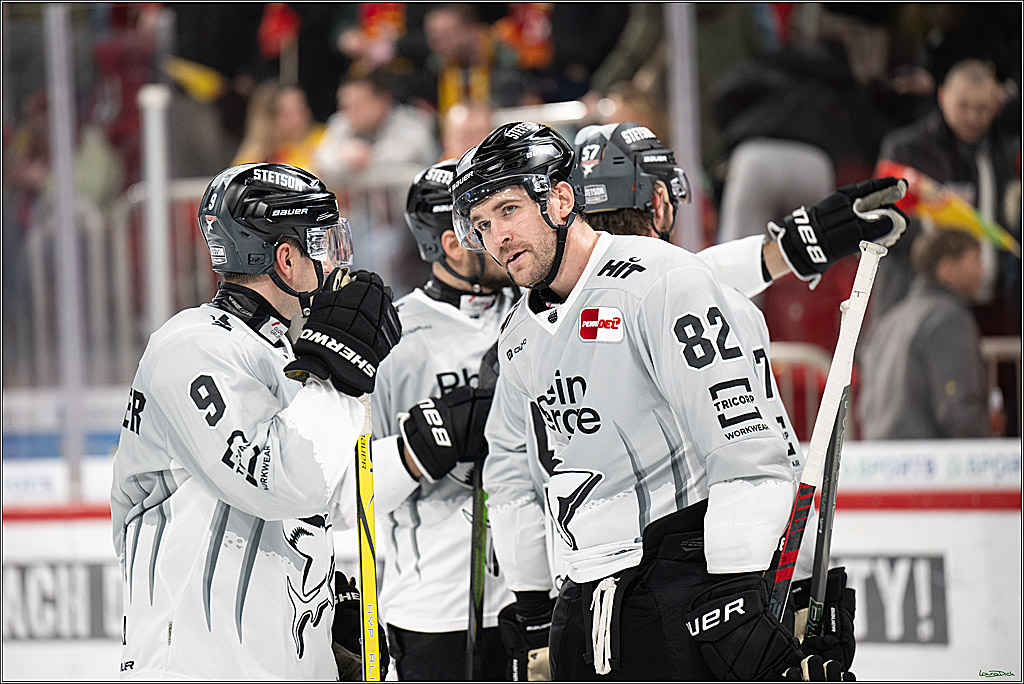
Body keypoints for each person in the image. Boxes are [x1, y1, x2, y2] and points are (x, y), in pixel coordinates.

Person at [451, 122, 904, 680]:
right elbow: (512, 476)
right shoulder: (521, 333)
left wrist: (740, 595)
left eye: (508, 211)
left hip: (676, 588)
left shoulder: (666, 283)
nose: (496, 236)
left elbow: (747, 449)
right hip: (585, 601)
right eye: (481, 224)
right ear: (660, 201)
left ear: (564, 199)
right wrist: (540, 614)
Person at [110, 162, 401, 679]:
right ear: (285, 258)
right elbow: (280, 481)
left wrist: (320, 610)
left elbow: (330, 496)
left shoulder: (282, 352)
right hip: (198, 669)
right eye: (322, 243)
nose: (335, 263)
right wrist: (338, 373)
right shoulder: (192, 347)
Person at [364, 159, 517, 680]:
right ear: (454, 243)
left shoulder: (534, 313)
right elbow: (350, 492)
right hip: (437, 606)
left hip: (533, 591)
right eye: (486, 224)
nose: (506, 236)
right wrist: (420, 448)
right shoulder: (392, 340)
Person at [872, 57, 1018, 331]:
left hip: (985, 301)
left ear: (995, 105)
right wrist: (937, 222)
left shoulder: (1002, 151)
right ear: (942, 96)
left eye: (982, 108)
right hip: (911, 298)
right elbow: (880, 221)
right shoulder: (906, 148)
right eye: (963, 106)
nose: (972, 117)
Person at [858, 228, 994, 439]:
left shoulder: (891, 320)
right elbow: (958, 410)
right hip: (931, 454)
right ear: (947, 268)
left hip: (882, 452)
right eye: (976, 259)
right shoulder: (947, 319)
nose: (983, 271)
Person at [312, 68, 439, 191]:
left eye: (358, 105)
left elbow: (406, 164)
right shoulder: (342, 123)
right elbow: (321, 161)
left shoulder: (412, 123)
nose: (350, 112)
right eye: (345, 105)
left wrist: (365, 159)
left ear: (382, 101)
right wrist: (343, 154)